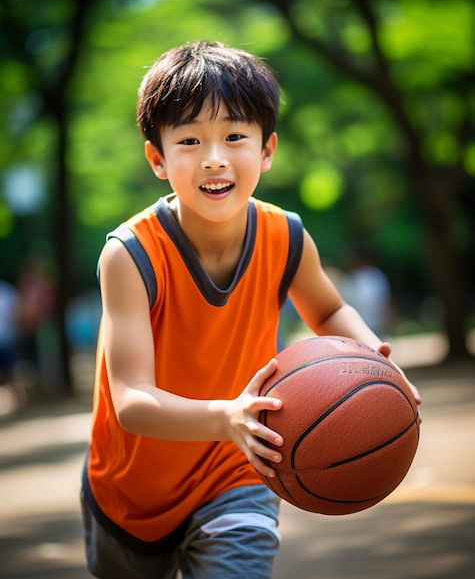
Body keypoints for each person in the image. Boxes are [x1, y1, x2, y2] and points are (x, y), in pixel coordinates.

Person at [81, 41, 421, 579]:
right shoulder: (130, 254)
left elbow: (330, 310)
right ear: (157, 159)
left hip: (238, 468)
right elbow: (131, 400)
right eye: (190, 140)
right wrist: (226, 416)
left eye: (235, 136)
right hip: (130, 489)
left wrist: (376, 360)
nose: (214, 156)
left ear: (267, 150)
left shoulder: (285, 235)